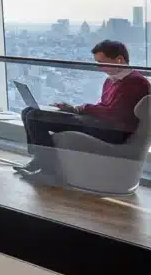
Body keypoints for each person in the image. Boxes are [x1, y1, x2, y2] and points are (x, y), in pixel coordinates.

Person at [17, 40, 150, 180]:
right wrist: (76, 110)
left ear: (119, 60)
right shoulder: (112, 80)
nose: (100, 67)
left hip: (114, 131)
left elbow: (114, 114)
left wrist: (80, 109)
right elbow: (104, 106)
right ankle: (39, 159)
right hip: (101, 123)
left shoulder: (135, 83)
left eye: (102, 62)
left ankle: (48, 170)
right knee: (28, 112)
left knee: (35, 117)